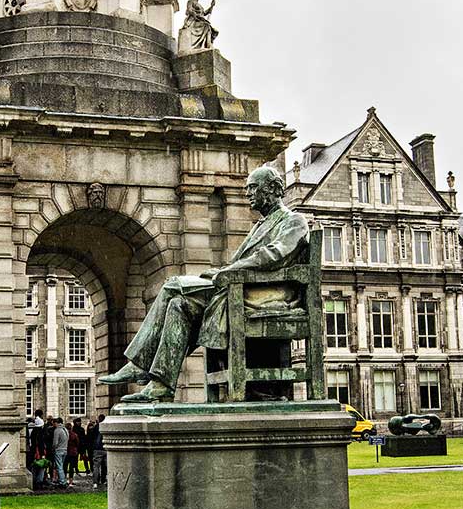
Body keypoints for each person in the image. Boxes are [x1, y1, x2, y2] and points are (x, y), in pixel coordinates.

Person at [99, 166, 309, 403]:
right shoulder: (259, 226)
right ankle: (161, 385)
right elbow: (247, 261)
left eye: (253, 187)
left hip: (267, 295)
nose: (248, 194)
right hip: (241, 286)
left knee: (172, 286)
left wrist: (228, 271)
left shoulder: (294, 220)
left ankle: (139, 364)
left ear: (272, 188)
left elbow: (273, 255)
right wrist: (222, 271)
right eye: (247, 188)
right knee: (178, 304)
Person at [92, 414, 107, 490]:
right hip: (105, 448)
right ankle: (103, 480)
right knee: (105, 466)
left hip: (97, 449)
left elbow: (92, 437)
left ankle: (95, 482)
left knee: (96, 467)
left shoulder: (96, 427)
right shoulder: (107, 426)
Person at [52, 418, 69, 489]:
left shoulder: (57, 430)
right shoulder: (65, 430)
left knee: (59, 467)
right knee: (61, 466)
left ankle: (62, 481)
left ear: (56, 423)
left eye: (53, 423)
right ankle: (61, 480)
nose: (53, 425)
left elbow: (55, 442)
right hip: (65, 449)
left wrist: (53, 448)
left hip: (59, 450)